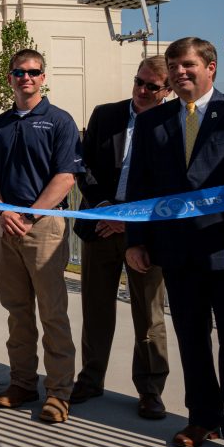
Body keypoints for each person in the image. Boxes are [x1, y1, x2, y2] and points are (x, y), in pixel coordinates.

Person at [126, 37, 224, 447]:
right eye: (173, 66)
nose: (179, 72)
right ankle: (203, 419)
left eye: (188, 64)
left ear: (211, 67)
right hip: (178, 254)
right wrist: (136, 240)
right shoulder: (154, 122)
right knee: (192, 342)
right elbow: (140, 187)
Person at [0, 49, 84, 423]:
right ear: (10, 78)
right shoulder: (0, 124)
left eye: (33, 72)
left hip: (44, 226)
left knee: (52, 312)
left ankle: (58, 392)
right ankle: (22, 382)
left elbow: (66, 176)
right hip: (6, 225)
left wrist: (28, 213)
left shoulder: (59, 121)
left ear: (44, 77)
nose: (26, 78)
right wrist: (3, 210)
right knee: (17, 311)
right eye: (19, 72)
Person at [71, 56, 171, 419]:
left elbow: (170, 184)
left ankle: (150, 389)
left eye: (152, 86)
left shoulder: (173, 123)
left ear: (167, 90)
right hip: (100, 227)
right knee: (96, 309)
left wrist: (130, 222)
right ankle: (91, 378)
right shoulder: (105, 114)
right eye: (138, 81)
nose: (142, 91)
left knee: (149, 314)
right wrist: (106, 209)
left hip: (145, 236)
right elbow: (84, 167)